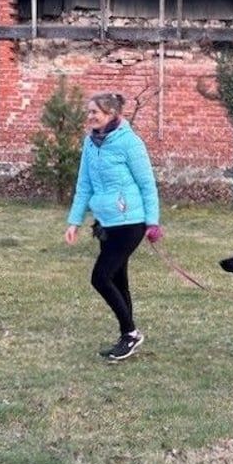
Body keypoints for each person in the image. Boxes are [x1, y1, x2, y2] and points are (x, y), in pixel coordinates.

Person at [64, 92, 163, 362]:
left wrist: (152, 222)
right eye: (88, 112)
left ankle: (131, 333)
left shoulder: (129, 142)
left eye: (94, 112)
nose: (89, 116)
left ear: (110, 114)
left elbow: (147, 185)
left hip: (130, 222)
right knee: (118, 280)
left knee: (100, 277)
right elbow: (84, 184)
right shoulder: (90, 143)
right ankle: (126, 335)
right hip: (106, 223)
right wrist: (74, 222)